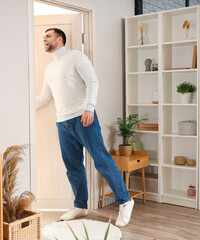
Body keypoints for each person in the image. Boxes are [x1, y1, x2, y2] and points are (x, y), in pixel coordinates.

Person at [36, 28, 134, 227]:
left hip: (83, 117)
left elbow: (92, 81)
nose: (44, 39)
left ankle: (125, 201)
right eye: (43, 37)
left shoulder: (75, 56)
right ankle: (80, 206)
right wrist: (21, 106)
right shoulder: (50, 69)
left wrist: (89, 107)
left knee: (102, 161)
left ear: (59, 38)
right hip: (62, 122)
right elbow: (45, 97)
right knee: (72, 167)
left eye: (47, 36)